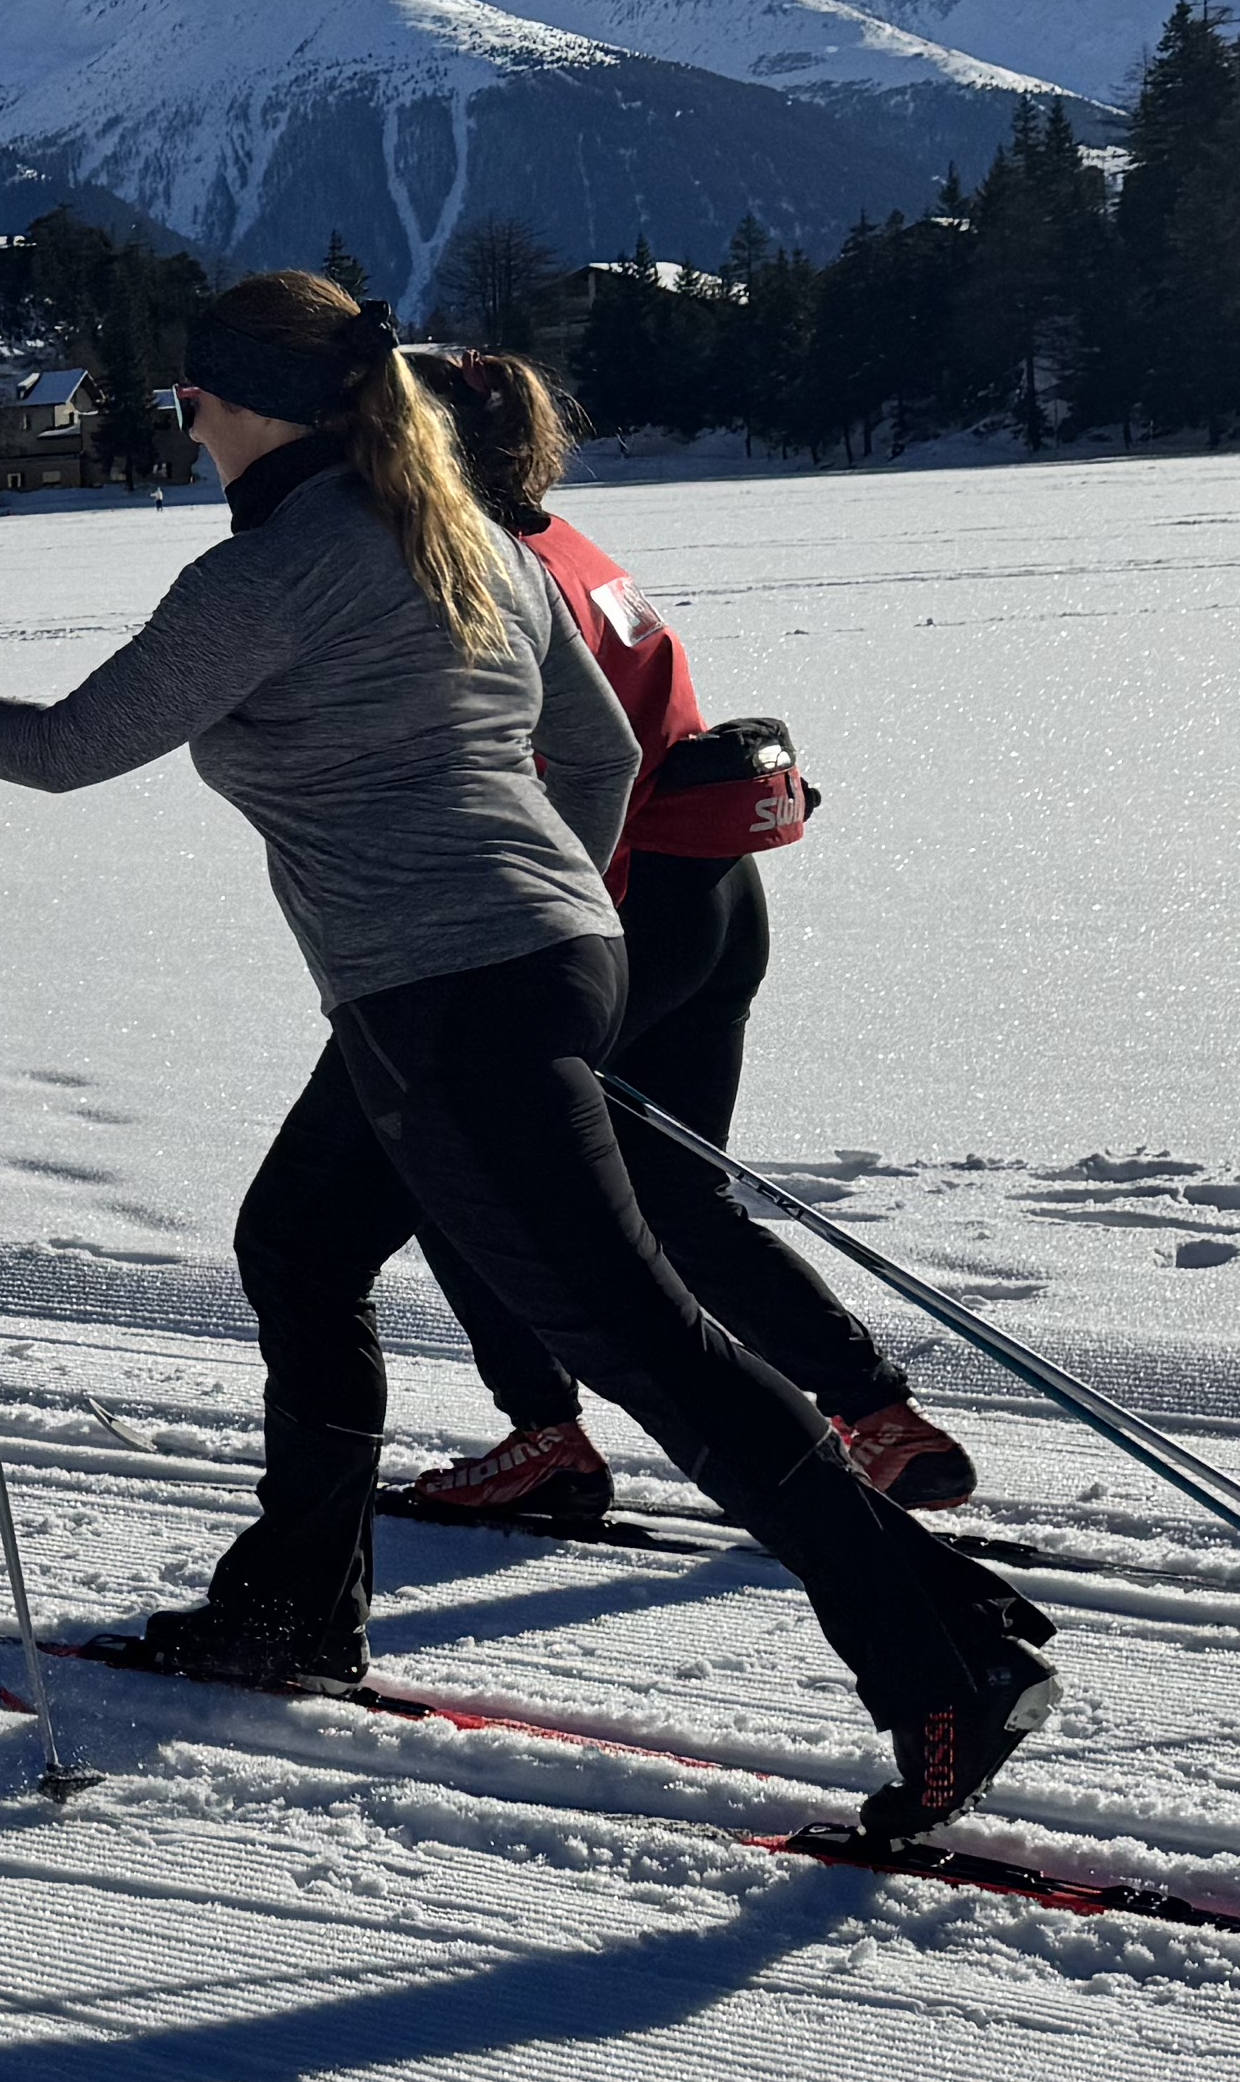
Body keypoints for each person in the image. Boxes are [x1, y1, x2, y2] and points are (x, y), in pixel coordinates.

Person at [0, 270, 1056, 1841]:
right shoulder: (463, 539)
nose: (181, 425)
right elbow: (601, 752)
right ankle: (294, 1611)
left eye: (188, 399)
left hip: (450, 993)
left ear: (246, 401)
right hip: (532, 964)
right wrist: (541, 916)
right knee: (303, 1242)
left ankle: (946, 1665)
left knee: (650, 1345)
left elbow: (64, 750)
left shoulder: (264, 576)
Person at [389, 352, 972, 1539]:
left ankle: (546, 1436)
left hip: (620, 905)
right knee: (677, 1193)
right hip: (712, 892)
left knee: (452, 1158)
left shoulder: (478, 572)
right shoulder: (569, 546)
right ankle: (876, 1417)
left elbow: (543, 769)